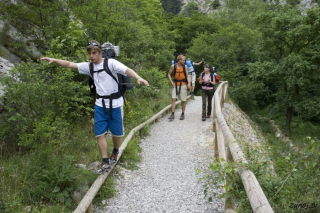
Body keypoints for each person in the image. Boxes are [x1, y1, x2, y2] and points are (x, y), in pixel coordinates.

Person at [40, 40, 149, 174]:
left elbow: (127, 70)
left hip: (115, 103)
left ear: (100, 53)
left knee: (117, 133)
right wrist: (54, 60)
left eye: (94, 53)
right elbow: (69, 64)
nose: (91, 56)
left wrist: (138, 77)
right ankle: (105, 161)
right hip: (99, 104)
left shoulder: (111, 63)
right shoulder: (89, 67)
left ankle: (115, 150)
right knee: (100, 133)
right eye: (90, 53)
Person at [167, 54, 191, 121]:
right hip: (175, 84)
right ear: (179, 60)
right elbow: (169, 73)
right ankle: (172, 114)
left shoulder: (185, 67)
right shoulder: (173, 66)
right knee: (173, 99)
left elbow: (187, 75)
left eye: (184, 60)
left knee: (183, 100)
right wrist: (171, 82)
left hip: (183, 84)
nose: (184, 61)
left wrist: (189, 83)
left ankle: (183, 114)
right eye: (183, 60)